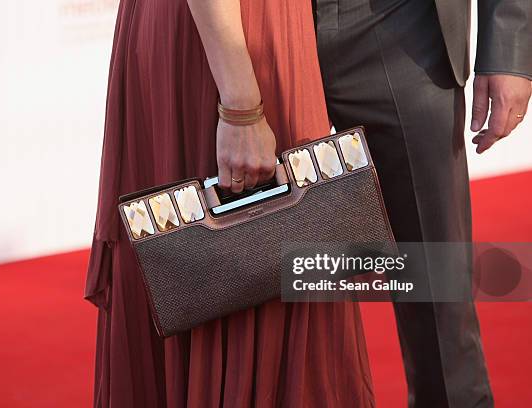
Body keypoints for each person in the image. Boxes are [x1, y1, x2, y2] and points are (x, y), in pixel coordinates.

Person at [85, 0, 375, 406]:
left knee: (267, 256)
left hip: (229, 37)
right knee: (251, 255)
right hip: (230, 43)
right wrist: (241, 108)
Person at [313, 0, 531, 406]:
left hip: (400, 27)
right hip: (255, 32)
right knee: (257, 278)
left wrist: (508, 48)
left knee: (437, 296)